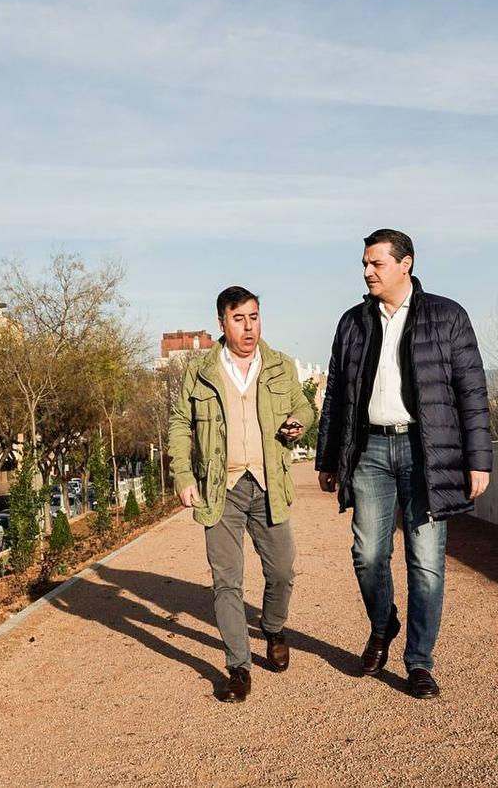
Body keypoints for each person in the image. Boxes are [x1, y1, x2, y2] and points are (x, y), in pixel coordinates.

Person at [316, 228, 492, 700]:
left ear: (405, 264)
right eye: (365, 263)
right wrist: (329, 457)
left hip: (426, 452)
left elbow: (471, 393)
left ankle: (419, 662)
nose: (367, 271)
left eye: (376, 264)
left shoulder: (447, 316)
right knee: (368, 555)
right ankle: (383, 624)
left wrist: (478, 460)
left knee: (426, 565)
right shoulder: (352, 322)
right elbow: (336, 395)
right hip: (369, 452)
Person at [168, 286, 315, 703]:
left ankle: (272, 627)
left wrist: (297, 422)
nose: (248, 327)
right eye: (239, 319)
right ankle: (238, 667)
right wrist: (182, 475)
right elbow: (180, 424)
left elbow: (304, 407)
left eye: (254, 317)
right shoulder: (200, 371)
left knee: (282, 571)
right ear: (222, 323)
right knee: (227, 582)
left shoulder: (280, 365)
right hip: (221, 489)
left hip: (270, 483)